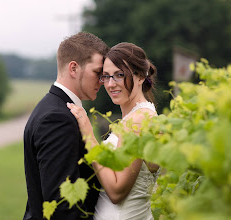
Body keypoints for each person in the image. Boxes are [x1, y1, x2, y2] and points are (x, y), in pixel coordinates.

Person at [67, 42, 161, 220]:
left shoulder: (137, 121)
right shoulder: (147, 114)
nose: (110, 84)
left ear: (140, 76)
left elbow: (117, 192)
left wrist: (88, 135)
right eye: (106, 76)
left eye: (119, 75)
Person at [23, 32, 109, 220]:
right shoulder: (57, 118)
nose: (102, 81)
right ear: (73, 68)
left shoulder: (54, 108)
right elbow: (62, 205)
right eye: (97, 73)